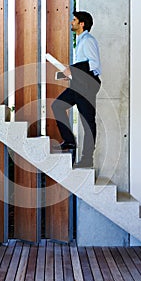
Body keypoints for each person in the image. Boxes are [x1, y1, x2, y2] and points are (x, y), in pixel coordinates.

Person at [51, 11, 101, 168]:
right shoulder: (80, 41)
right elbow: (81, 68)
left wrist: (71, 69)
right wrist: (67, 74)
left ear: (82, 24)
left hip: (87, 85)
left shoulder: (88, 40)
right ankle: (70, 142)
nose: (71, 22)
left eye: (74, 20)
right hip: (79, 84)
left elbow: (94, 64)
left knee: (88, 122)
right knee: (57, 105)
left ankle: (87, 159)